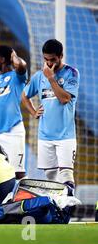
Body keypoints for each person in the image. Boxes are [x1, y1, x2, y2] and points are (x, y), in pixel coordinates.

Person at [22, 39, 79, 191]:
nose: (48, 64)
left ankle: (68, 208)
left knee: (66, 174)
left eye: (52, 60)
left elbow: (65, 99)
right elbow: (24, 96)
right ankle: (57, 210)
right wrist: (34, 112)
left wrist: (51, 79)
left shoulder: (71, 73)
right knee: (51, 177)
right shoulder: (38, 76)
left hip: (65, 135)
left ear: (61, 56)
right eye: (46, 59)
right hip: (45, 136)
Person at [0, 46, 28, 179]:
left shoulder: (16, 77)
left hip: (13, 130)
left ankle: (21, 199)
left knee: (17, 173)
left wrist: (13, 55)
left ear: (2, 59)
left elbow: (22, 65)